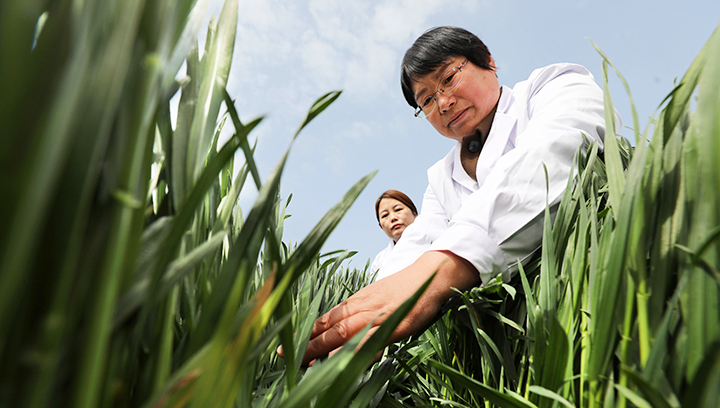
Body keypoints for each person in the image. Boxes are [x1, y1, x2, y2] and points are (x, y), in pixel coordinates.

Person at [299, 26, 621, 365]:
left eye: (449, 78)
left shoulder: (553, 86)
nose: (443, 102)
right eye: (426, 100)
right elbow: (412, 249)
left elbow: (555, 156)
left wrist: (439, 272)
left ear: (488, 61)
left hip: (594, 304)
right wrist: (361, 315)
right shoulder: (441, 178)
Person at [370, 190, 418, 277]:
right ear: (381, 227)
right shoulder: (379, 262)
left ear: (415, 214)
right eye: (385, 215)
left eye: (398, 209)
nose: (393, 218)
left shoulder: (435, 239)